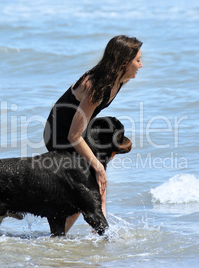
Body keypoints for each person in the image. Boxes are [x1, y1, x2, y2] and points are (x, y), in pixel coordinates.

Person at [43, 35, 143, 233]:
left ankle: (97, 229)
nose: (141, 65)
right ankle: (60, 237)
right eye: (138, 60)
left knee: (96, 184)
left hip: (77, 128)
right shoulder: (97, 86)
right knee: (90, 185)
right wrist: (97, 166)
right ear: (124, 62)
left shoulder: (119, 80)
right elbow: (73, 136)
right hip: (59, 133)